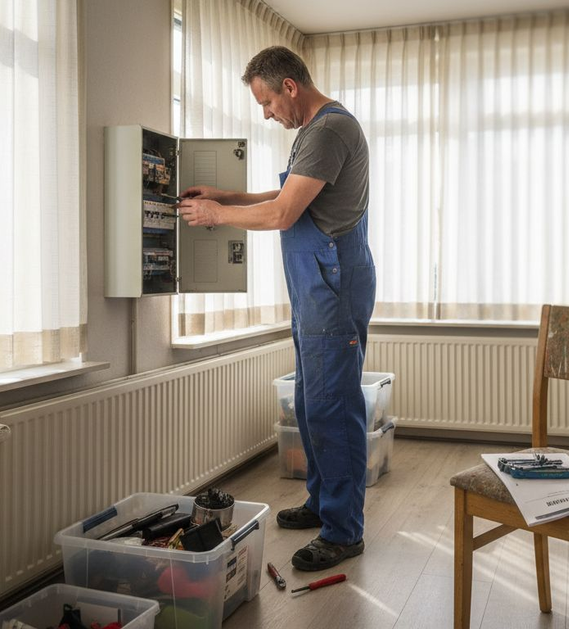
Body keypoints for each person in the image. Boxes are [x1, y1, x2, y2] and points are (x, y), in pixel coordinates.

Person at [177, 46, 375, 572]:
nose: (266, 114)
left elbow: (287, 213)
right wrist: (231, 195)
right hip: (314, 289)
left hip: (332, 287)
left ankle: (343, 531)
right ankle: (322, 502)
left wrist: (219, 214)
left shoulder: (330, 128)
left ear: (290, 87)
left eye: (266, 102)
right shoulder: (311, 135)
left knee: (334, 407)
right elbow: (289, 192)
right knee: (312, 403)